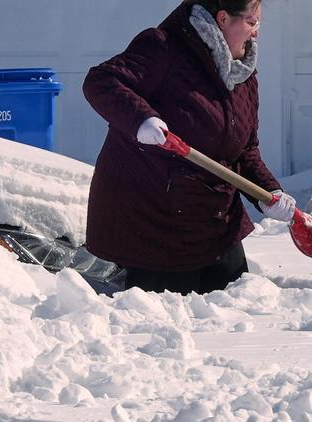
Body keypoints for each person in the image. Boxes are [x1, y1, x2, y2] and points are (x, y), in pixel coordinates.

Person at [82, 0, 295, 295]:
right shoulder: (164, 46)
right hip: (156, 226)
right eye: (251, 22)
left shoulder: (242, 74)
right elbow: (103, 81)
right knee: (170, 331)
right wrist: (142, 120)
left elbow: (244, 150)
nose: (256, 33)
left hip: (216, 226)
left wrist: (269, 192)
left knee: (235, 317)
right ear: (223, 18)